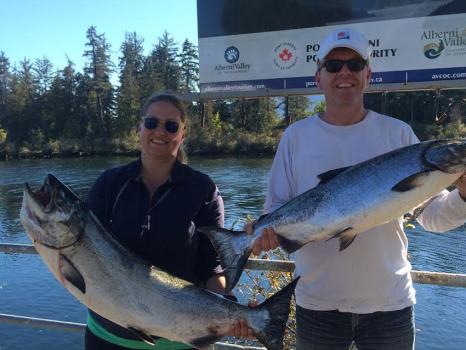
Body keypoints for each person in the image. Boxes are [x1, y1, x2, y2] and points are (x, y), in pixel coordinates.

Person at [247, 28, 466, 349]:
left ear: (368, 74)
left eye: (355, 64)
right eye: (334, 65)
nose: (344, 72)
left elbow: (434, 218)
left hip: (389, 306)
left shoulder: (399, 134)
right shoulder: (295, 137)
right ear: (318, 76)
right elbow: (276, 209)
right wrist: (265, 234)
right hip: (317, 305)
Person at [84, 93, 231, 349]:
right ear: (139, 128)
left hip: (178, 341)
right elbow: (84, 250)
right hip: (107, 338)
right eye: (152, 123)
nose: (159, 131)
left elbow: (212, 268)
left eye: (171, 126)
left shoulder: (203, 190)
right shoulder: (109, 184)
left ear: (182, 134)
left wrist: (229, 310)